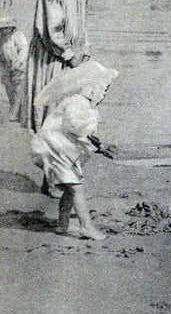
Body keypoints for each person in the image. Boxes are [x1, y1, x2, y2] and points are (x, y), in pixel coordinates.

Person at [30, 60, 119, 241]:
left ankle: (62, 224)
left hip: (61, 150)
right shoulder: (76, 102)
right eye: (103, 89)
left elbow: (82, 133)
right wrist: (95, 140)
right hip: (54, 149)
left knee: (72, 188)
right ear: (91, 88)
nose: (103, 94)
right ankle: (86, 227)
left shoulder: (82, 104)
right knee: (77, 188)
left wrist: (99, 146)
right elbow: (77, 127)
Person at [25, 0, 98, 134]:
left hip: (75, 55)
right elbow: (50, 30)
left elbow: (82, 24)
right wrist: (68, 54)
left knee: (74, 114)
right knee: (52, 114)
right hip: (52, 57)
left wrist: (85, 50)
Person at [0, 17, 28, 123]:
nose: (4, 30)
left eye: (6, 28)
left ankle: (18, 114)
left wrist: (18, 63)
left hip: (19, 67)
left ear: (11, 27)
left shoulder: (18, 36)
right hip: (7, 68)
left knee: (19, 90)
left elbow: (23, 50)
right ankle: (14, 112)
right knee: (10, 90)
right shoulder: (2, 38)